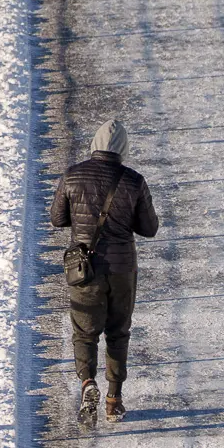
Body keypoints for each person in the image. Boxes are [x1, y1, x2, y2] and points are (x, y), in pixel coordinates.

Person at [49, 117, 159, 424]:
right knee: (118, 332)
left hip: (85, 269)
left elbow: (58, 219)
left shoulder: (72, 175)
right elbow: (149, 228)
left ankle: (88, 383)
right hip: (123, 270)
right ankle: (113, 401)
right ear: (124, 148)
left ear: (95, 144)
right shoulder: (134, 180)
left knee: (85, 333)